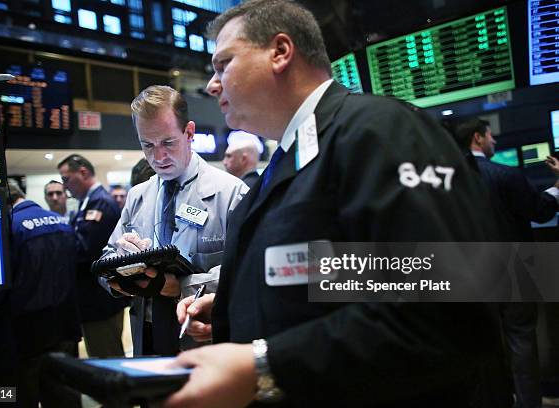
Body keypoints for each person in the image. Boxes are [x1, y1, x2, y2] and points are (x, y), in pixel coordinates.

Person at [166, 1, 510, 407]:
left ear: (280, 52)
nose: (212, 84)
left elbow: (444, 308)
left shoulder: (380, 131)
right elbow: (352, 272)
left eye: (224, 64)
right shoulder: (288, 161)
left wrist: (263, 365)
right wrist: (239, 304)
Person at [100, 85, 248, 356]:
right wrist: (120, 270)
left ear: (189, 132)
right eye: (148, 145)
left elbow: (246, 272)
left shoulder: (231, 193)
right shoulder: (137, 196)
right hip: (146, 336)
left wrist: (180, 287)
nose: (158, 157)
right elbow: (107, 256)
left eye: (168, 143)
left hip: (202, 340)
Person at [454, 118, 559, 408]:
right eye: (490, 137)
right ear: (478, 138)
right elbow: (539, 211)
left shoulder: (447, 182)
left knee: (484, 346)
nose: (494, 142)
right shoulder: (506, 174)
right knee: (521, 340)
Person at [6, 179, 82, 407]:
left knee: (28, 393)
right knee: (65, 393)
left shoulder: (11, 226)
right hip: (66, 323)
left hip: (28, 329)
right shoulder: (62, 223)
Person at [58, 154, 128, 358]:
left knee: (106, 358)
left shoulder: (100, 203)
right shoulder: (88, 202)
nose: (65, 186)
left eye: (66, 179)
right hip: (93, 298)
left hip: (100, 300)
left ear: (83, 172)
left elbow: (84, 249)